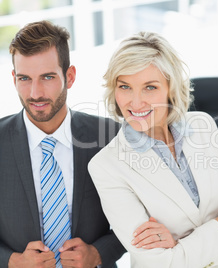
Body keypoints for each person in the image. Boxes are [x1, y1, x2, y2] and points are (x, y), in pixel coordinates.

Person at [88, 31, 218, 268]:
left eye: (150, 87)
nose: (136, 102)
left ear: (171, 88)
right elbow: (161, 262)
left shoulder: (203, 125)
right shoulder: (106, 166)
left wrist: (180, 246)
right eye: (125, 86)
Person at [0, 20, 126, 267]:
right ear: (14, 78)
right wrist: (12, 261)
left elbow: (141, 219)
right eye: (25, 78)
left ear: (69, 77)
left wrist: (99, 253)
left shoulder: (109, 135)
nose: (35, 93)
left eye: (47, 77)